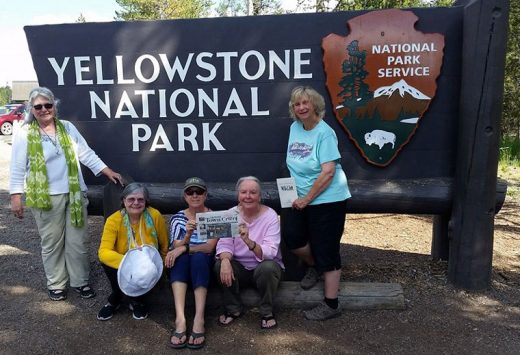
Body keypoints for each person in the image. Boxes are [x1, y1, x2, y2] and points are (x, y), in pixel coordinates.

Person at [9, 87, 123, 302]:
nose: (44, 110)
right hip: (45, 198)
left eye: (48, 105)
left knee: (77, 242)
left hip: (74, 194)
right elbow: (17, 166)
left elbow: (86, 153)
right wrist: (16, 196)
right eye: (38, 107)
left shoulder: (68, 128)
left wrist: (107, 171)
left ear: (54, 106)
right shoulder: (25, 133)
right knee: (52, 243)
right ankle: (56, 284)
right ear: (32, 110)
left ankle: (81, 282)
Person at [283, 86, 351, 321]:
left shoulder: (325, 133)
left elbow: (328, 171)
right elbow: (295, 163)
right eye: (296, 104)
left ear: (314, 105)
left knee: (327, 248)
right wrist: (294, 194)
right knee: (293, 238)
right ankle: (316, 266)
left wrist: (308, 198)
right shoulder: (295, 127)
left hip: (327, 199)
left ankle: (332, 304)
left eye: (305, 103)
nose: (301, 108)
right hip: (299, 197)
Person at [214, 176, 284, 330]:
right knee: (220, 264)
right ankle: (233, 309)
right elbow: (224, 244)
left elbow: (271, 253)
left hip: (263, 267)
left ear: (260, 196)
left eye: (253, 192)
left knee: (268, 267)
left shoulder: (270, 215)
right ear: (238, 195)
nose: (248, 196)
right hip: (240, 268)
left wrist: (249, 242)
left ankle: (267, 311)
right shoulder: (230, 214)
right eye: (243, 192)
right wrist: (225, 260)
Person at [97, 183, 169, 321]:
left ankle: (136, 299)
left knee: (143, 272)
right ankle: (117, 295)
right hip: (123, 261)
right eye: (131, 199)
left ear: (146, 201)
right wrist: (130, 263)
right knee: (107, 262)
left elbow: (164, 243)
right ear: (123, 201)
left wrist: (162, 266)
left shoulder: (155, 215)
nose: (136, 203)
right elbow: (103, 251)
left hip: (147, 263)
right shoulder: (114, 220)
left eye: (140, 199)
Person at [165, 177, 216, 349]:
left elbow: (209, 247)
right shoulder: (178, 217)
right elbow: (175, 245)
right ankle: (180, 319)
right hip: (185, 260)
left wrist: (185, 248)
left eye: (199, 192)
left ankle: (199, 318)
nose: (195, 195)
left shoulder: (212, 217)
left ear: (205, 195)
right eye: (190, 192)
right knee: (180, 258)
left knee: (198, 257)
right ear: (185, 196)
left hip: (204, 260)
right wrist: (187, 236)